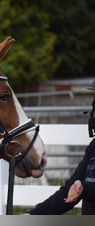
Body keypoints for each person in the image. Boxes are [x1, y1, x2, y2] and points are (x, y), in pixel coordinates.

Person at [28, 80, 95, 215]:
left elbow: (83, 188)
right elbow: (67, 192)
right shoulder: (93, 147)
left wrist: (84, 188)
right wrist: (33, 215)